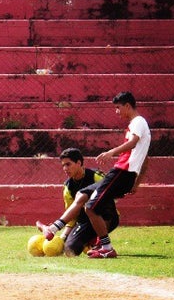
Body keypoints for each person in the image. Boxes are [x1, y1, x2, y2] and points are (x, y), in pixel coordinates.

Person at [36, 92, 150, 259]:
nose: (116, 112)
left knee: (90, 207)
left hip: (122, 173)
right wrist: (136, 184)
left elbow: (132, 143)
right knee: (82, 195)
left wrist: (110, 152)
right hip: (126, 176)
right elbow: (145, 160)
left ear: (127, 106)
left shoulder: (137, 122)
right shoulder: (141, 126)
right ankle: (53, 228)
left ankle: (107, 247)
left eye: (118, 108)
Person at [40, 147, 119, 257]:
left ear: (79, 163)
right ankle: (90, 243)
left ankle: (100, 243)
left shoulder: (96, 176)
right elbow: (72, 216)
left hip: (106, 216)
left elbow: (112, 197)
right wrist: (63, 237)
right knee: (70, 250)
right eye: (63, 165)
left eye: (68, 164)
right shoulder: (68, 187)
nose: (65, 168)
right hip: (84, 222)